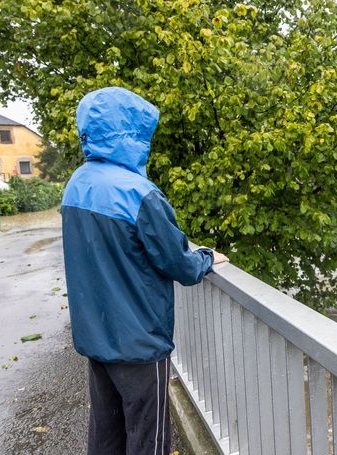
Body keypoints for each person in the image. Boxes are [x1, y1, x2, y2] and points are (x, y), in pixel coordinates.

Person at [61, 86, 227, 455]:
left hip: (96, 336)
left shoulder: (77, 184)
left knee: (106, 432)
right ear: (132, 134)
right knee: (148, 438)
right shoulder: (138, 193)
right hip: (138, 342)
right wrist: (206, 257)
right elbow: (178, 264)